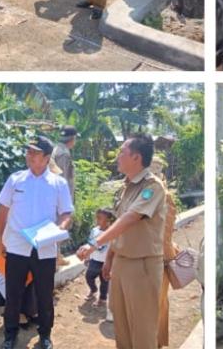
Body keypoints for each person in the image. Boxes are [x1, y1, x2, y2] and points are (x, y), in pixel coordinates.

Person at [75, 134, 168, 349]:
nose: (118, 156)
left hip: (143, 265)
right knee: (122, 326)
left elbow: (130, 218)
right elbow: (119, 229)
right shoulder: (126, 187)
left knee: (143, 328)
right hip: (123, 262)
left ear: (136, 157)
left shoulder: (152, 187)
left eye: (122, 152)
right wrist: (109, 259)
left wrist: (94, 244)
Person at [0, 136, 74, 349]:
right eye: (28, 151)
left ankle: (45, 335)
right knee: (13, 294)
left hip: (45, 248)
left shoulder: (58, 184)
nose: (29, 155)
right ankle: (10, 335)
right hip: (16, 247)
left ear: (47, 158)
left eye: (35, 152)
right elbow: (2, 211)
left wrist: (60, 228)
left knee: (44, 295)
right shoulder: (16, 179)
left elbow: (66, 213)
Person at [157, 181, 180, 348]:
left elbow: (166, 231)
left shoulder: (163, 197)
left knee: (158, 303)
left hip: (158, 258)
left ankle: (156, 342)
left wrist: (167, 251)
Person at [84, 208, 114, 307]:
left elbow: (114, 247)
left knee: (104, 281)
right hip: (95, 260)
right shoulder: (94, 230)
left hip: (106, 261)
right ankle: (93, 290)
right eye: (97, 218)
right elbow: (90, 244)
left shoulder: (112, 232)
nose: (97, 220)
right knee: (89, 276)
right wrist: (87, 256)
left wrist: (111, 261)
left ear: (108, 220)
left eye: (100, 218)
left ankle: (102, 298)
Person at [51, 125, 77, 200]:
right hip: (61, 199)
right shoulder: (63, 154)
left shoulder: (56, 149)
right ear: (72, 139)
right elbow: (62, 178)